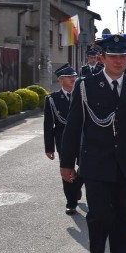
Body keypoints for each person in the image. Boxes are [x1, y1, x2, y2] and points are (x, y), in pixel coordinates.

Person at [59, 35, 126, 253]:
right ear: (102, 58)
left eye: (123, 56)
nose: (118, 60)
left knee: (123, 218)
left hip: (124, 166)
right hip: (95, 165)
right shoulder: (86, 86)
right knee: (99, 216)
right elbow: (73, 127)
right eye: (113, 56)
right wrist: (67, 163)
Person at [43, 64, 83, 215]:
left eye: (74, 76)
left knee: (85, 168)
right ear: (60, 80)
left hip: (82, 139)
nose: (73, 79)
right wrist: (49, 147)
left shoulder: (83, 96)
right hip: (63, 142)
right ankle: (71, 202)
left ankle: (77, 185)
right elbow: (48, 125)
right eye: (69, 77)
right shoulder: (52, 99)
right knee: (66, 171)